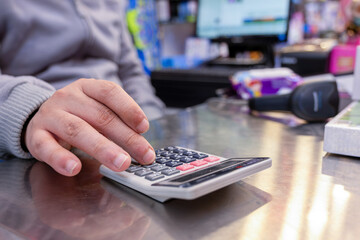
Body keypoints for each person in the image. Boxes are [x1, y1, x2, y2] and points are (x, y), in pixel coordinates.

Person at [0, 0, 165, 177]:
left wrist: (152, 122)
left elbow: (131, 71)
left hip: (128, 137)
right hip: (50, 140)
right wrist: (29, 112)